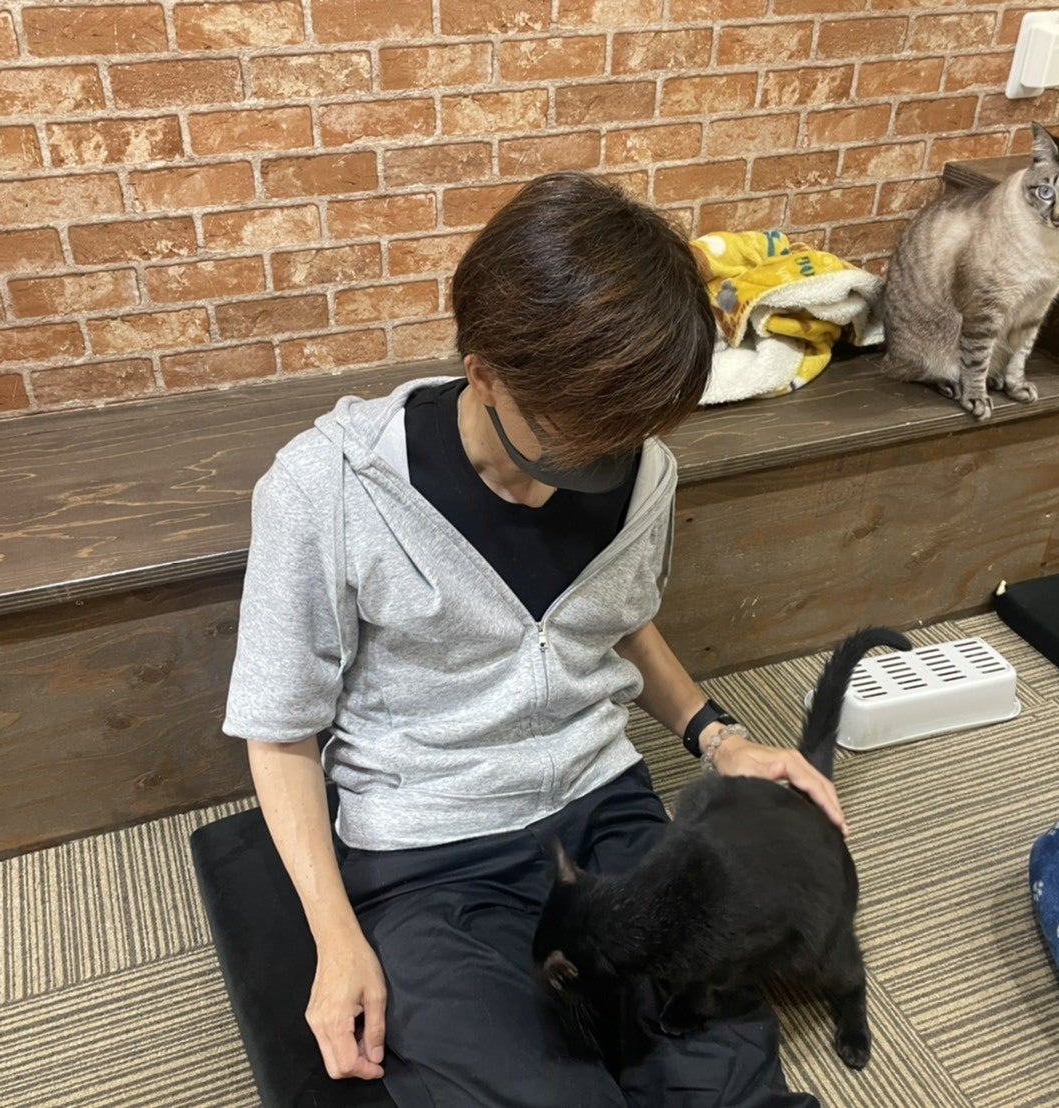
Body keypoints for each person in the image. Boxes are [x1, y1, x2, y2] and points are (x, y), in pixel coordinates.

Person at [223, 172, 843, 1107]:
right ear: (483, 373)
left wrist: (719, 738)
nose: (593, 471)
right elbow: (279, 730)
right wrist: (334, 935)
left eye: (620, 445)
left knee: (725, 1067)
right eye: (571, 442)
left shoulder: (645, 471)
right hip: (431, 850)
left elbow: (614, 621)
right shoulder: (326, 491)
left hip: (604, 805)